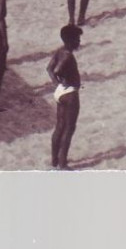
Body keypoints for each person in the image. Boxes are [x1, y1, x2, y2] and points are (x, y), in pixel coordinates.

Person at [47, 25, 83, 169]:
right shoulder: (68, 55)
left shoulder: (59, 51)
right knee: (69, 128)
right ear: (71, 40)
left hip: (61, 91)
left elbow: (49, 69)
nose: (79, 42)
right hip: (70, 93)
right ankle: (63, 163)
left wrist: (57, 84)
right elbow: (57, 69)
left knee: (59, 126)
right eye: (77, 39)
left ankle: (55, 159)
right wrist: (61, 79)